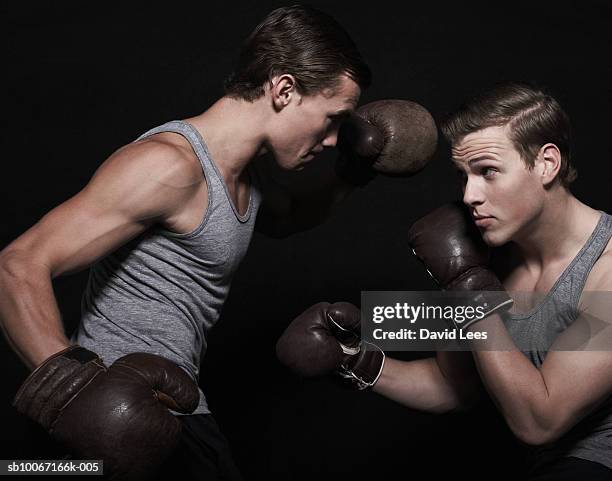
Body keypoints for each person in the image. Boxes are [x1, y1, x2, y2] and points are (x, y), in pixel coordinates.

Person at [0, 5, 437, 481]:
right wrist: (74, 395)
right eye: (332, 119)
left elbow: (290, 219)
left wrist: (352, 175)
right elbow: (17, 265)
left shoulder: (246, 177)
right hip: (111, 416)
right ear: (284, 89)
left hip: (175, 409)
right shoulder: (169, 166)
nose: (333, 140)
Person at [277, 82, 612, 480]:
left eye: (488, 171)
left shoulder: (606, 269)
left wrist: (470, 291)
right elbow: (453, 386)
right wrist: (354, 358)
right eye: (463, 176)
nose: (470, 195)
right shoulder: (484, 257)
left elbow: (539, 422)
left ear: (547, 164)